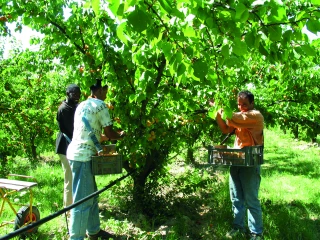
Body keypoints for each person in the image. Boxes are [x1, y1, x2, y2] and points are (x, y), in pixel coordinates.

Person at [66, 79, 124, 240]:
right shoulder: (100, 105)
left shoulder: (82, 106)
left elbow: (93, 134)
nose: (106, 95)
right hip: (83, 157)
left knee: (91, 195)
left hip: (75, 152)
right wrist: (121, 136)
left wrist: (108, 137)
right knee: (82, 200)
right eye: (105, 91)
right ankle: (76, 237)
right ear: (98, 91)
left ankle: (94, 230)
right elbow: (110, 133)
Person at [216, 90, 264, 240]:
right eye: (238, 104)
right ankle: (238, 227)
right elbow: (226, 128)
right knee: (236, 198)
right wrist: (217, 114)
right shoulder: (239, 118)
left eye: (244, 104)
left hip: (250, 162)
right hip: (237, 160)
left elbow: (234, 117)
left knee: (251, 199)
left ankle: (256, 233)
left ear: (252, 104)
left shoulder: (254, 116)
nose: (241, 106)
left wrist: (218, 107)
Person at [56, 84, 81, 208]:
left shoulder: (73, 107)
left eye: (78, 94)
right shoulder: (64, 109)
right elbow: (72, 129)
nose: (77, 96)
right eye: (74, 94)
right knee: (69, 178)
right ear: (67, 94)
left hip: (71, 145)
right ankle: (68, 209)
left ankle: (73, 205)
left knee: (73, 177)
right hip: (65, 146)